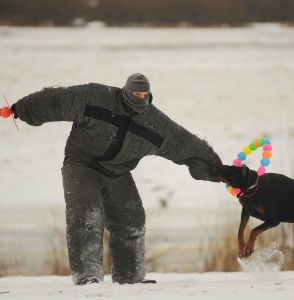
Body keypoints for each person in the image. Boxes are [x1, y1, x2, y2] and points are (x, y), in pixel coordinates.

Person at [11, 73, 222, 285]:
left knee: (132, 221)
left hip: (117, 172)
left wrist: (217, 169)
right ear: (125, 91)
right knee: (87, 217)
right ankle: (88, 277)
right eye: (135, 93)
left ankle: (130, 279)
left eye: (144, 94)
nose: (139, 98)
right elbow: (58, 100)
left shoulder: (155, 123)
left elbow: (184, 143)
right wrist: (22, 109)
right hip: (81, 165)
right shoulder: (95, 97)